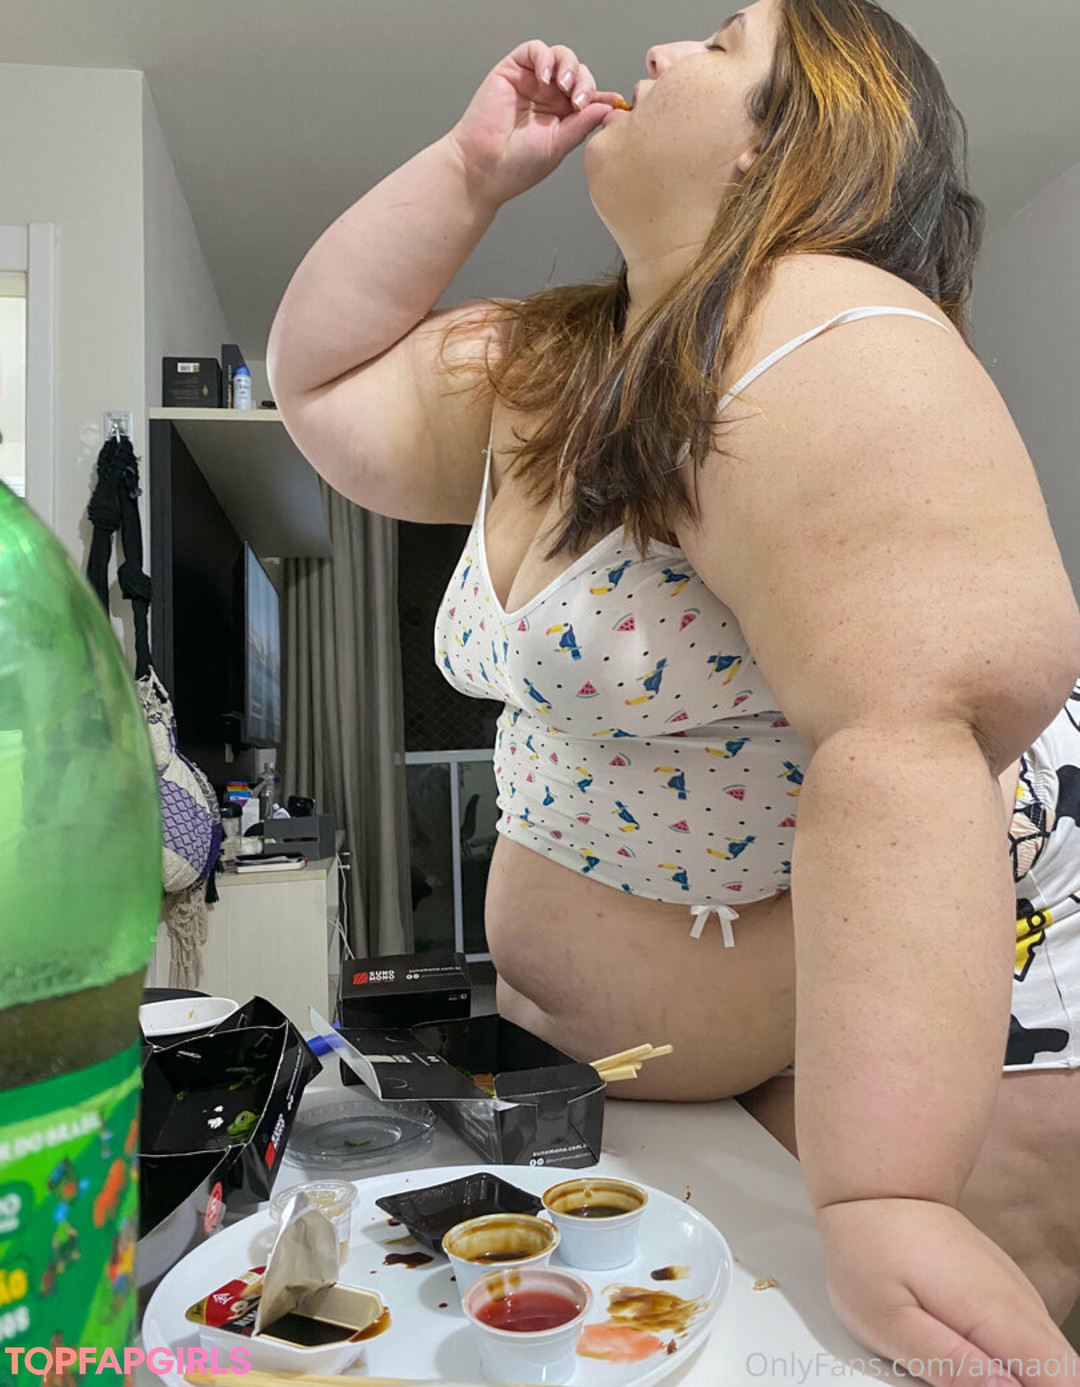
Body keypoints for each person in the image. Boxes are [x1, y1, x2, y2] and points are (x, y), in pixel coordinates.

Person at [267, 2, 1080, 1380]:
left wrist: (889, 1191)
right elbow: (324, 387)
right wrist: (467, 173)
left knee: (906, 1343)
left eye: (721, 41)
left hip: (959, 991)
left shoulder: (825, 331)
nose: (656, 53)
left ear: (792, 143)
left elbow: (913, 730)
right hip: (679, 1057)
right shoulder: (554, 365)